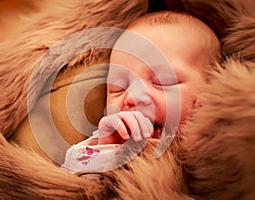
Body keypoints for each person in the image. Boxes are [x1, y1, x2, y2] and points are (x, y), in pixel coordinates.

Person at [61, 11, 220, 174]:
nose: (132, 97)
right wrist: (108, 150)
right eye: (118, 88)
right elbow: (70, 186)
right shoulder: (104, 140)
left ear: (210, 89)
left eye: (162, 82)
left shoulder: (226, 139)